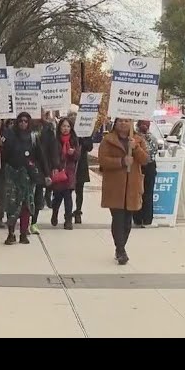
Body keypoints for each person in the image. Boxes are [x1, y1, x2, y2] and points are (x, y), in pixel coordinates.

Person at [98, 118, 149, 265]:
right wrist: (121, 162)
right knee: (118, 219)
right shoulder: (108, 140)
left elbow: (145, 160)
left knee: (127, 222)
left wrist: (136, 148)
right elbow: (103, 160)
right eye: (120, 120)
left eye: (127, 120)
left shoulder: (138, 140)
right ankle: (120, 250)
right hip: (115, 187)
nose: (123, 123)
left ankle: (121, 247)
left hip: (132, 187)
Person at [1, 112, 49, 245]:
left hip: (27, 176)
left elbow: (41, 156)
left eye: (26, 121)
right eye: (21, 121)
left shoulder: (33, 137)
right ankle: (11, 233)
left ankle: (23, 233)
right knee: (11, 205)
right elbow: (4, 155)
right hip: (12, 174)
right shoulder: (10, 135)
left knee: (26, 205)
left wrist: (46, 174)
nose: (23, 123)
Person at [50, 117, 81, 230]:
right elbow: (52, 155)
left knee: (68, 196)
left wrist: (72, 153)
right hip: (58, 170)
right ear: (60, 127)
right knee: (57, 197)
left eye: (68, 126)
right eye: (63, 126)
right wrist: (55, 166)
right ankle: (55, 213)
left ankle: (68, 220)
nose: (66, 128)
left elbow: (78, 156)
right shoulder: (55, 140)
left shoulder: (74, 140)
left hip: (69, 172)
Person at [67, 106, 94, 225]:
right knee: (67, 190)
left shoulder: (85, 129)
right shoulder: (66, 129)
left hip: (81, 163)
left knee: (80, 190)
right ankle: (67, 213)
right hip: (69, 164)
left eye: (75, 115)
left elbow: (90, 147)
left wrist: (83, 140)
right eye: (71, 115)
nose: (73, 117)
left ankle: (78, 211)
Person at [133, 120, 159, 228]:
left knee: (147, 193)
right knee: (138, 192)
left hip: (149, 166)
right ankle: (138, 218)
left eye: (146, 124)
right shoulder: (134, 137)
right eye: (143, 124)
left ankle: (146, 219)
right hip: (139, 166)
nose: (145, 126)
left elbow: (152, 151)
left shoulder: (151, 138)